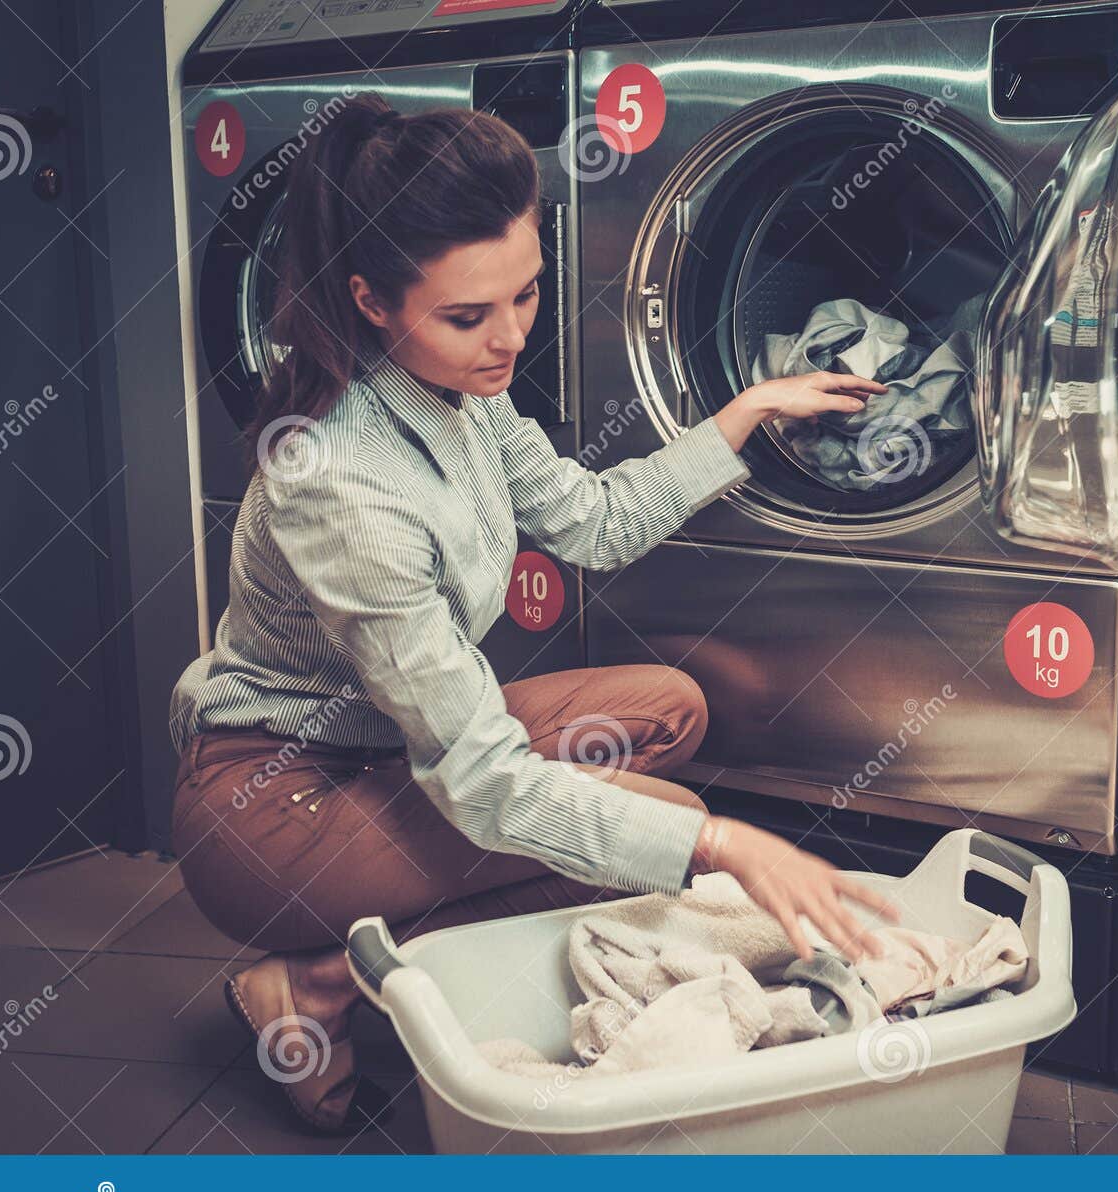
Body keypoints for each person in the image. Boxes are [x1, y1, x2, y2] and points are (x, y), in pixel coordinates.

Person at [167, 92, 898, 1133]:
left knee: (669, 711)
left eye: (526, 294)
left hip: (384, 751)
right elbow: (482, 784)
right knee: (673, 831)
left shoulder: (465, 388)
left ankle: (387, 945)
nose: (510, 337)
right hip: (274, 808)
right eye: (469, 315)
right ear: (372, 301)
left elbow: (591, 522)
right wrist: (729, 847)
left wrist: (744, 412)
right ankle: (319, 981)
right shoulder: (337, 484)